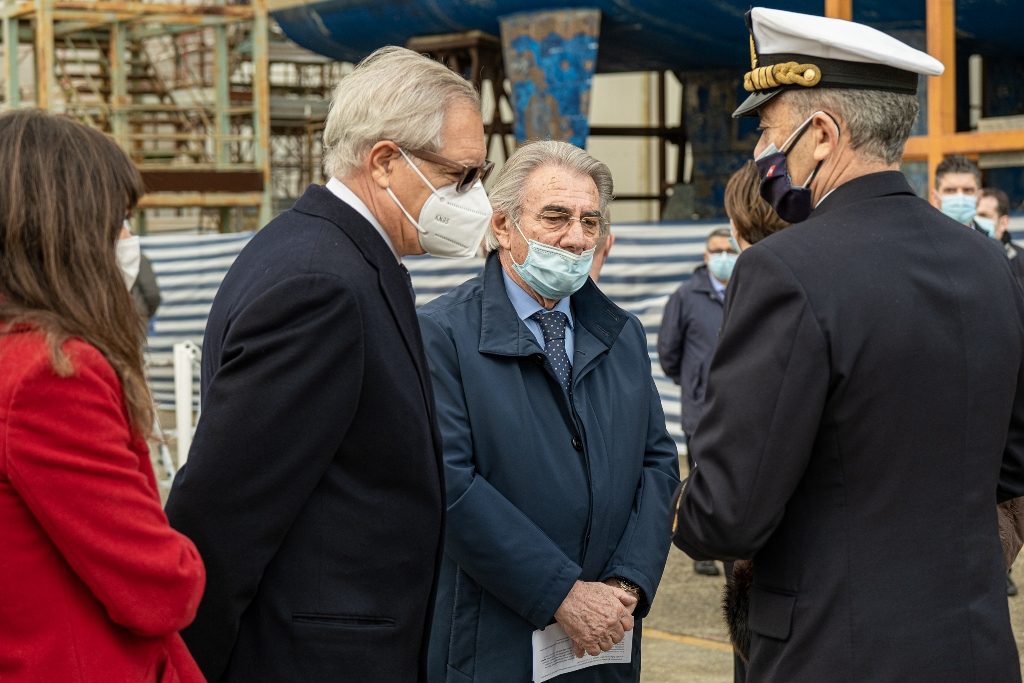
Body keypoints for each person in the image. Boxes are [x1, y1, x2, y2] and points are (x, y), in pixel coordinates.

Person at [673, 8, 1024, 681]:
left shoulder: (785, 269)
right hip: (973, 648)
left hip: (834, 652)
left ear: (823, 134)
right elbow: (1013, 461)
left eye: (770, 132)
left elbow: (726, 514)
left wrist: (676, 503)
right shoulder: (989, 264)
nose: (762, 155)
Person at [165, 46, 493, 682]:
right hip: (313, 659)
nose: (474, 198)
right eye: (461, 176)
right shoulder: (321, 285)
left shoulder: (336, 255)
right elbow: (224, 508)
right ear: (386, 161)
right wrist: (185, 669)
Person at [418, 140, 680, 682]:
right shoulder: (443, 334)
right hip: (493, 638)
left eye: (590, 221)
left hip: (607, 635)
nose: (576, 238)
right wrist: (559, 592)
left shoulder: (620, 334)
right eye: (555, 217)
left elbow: (656, 464)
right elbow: (449, 485)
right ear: (503, 226)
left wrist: (627, 583)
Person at [0, 109, 205, 680]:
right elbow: (159, 586)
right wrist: (185, 558)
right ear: (69, 230)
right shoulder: (50, 372)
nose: (128, 239)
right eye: (118, 220)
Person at [657, 227, 737, 577]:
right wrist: (692, 381)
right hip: (700, 408)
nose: (723, 257)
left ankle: (732, 547)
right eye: (716, 250)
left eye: (728, 250)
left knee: (734, 477)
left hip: (738, 409)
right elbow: (668, 351)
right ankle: (701, 548)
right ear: (705, 256)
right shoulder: (686, 296)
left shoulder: (747, 291)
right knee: (702, 478)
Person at [977, 187, 1024, 290]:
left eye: (983, 215)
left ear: (1003, 223)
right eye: (973, 215)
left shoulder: (1021, 261)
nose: (975, 221)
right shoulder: (960, 255)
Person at [118, 222, 162, 329]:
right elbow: (153, 294)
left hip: (135, 320)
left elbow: (153, 295)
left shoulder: (140, 259)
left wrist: (144, 314)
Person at [931, 154, 982, 227]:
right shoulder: (920, 236)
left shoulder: (990, 237)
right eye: (950, 190)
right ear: (935, 198)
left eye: (967, 190)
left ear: (979, 198)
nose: (960, 198)